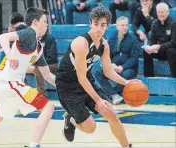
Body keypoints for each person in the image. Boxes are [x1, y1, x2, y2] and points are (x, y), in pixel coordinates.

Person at [0, 7, 56, 148]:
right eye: (44, 21)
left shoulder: (38, 47)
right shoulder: (29, 33)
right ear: (35, 22)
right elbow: (3, 37)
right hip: (9, 82)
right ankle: (34, 145)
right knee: (48, 107)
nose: (46, 25)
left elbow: (47, 75)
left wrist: (65, 85)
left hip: (3, 82)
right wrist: (9, 54)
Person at [56, 6, 139, 148]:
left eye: (103, 25)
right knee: (90, 128)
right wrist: (98, 99)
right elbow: (80, 77)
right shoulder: (81, 43)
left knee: (111, 113)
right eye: (96, 24)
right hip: (68, 86)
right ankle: (71, 120)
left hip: (86, 81)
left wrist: (126, 82)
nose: (99, 29)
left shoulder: (104, 45)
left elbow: (108, 72)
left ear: (107, 26)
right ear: (90, 23)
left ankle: (126, 146)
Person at [92, 16, 140, 105]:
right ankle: (113, 94)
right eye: (122, 25)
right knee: (96, 70)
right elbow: (106, 54)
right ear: (117, 26)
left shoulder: (133, 39)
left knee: (125, 74)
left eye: (126, 25)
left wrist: (122, 67)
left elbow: (134, 58)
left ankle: (117, 94)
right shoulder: (111, 37)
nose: (125, 27)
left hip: (129, 68)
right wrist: (110, 64)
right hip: (113, 66)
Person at [143, 3, 176, 77]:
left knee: (171, 51)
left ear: (167, 12)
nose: (160, 14)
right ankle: (149, 77)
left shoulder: (174, 23)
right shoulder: (155, 23)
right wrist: (149, 46)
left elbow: (174, 42)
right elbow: (151, 39)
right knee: (146, 51)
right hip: (160, 50)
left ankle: (174, 77)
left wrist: (159, 46)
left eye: (162, 12)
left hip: (171, 50)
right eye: (158, 12)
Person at [26, 31, 58, 96]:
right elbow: (33, 55)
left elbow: (52, 57)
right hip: (38, 64)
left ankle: (41, 94)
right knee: (22, 68)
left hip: (51, 64)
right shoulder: (34, 40)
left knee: (38, 69)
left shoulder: (50, 38)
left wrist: (37, 64)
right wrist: (30, 64)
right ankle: (25, 92)